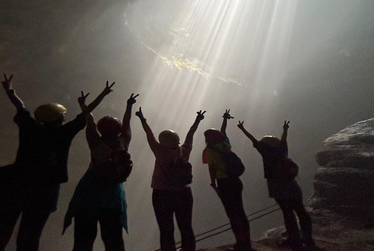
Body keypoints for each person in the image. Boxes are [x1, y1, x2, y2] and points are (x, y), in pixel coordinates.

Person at [0, 75, 113, 251]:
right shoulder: (64, 133)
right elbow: (86, 115)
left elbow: (20, 107)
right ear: (59, 118)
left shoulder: (29, 127)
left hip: (15, 186)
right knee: (29, 240)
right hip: (44, 192)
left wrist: (9, 90)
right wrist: (103, 94)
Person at [64, 92, 139, 251]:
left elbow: (89, 120)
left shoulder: (95, 142)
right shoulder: (123, 142)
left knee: (84, 238)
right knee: (114, 239)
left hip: (89, 191)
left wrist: (83, 104)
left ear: (101, 128)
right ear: (118, 130)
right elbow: (127, 123)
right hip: (113, 193)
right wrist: (129, 105)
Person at [237, 120, 315, 251]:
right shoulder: (282, 149)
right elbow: (284, 139)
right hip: (292, 183)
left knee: (287, 212)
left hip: (277, 185)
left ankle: (294, 240)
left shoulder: (265, 151)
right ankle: (308, 238)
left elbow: (254, 141)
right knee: (301, 210)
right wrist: (285, 129)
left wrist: (242, 128)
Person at [136, 108, 205, 251]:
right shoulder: (184, 151)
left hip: (162, 194)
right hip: (184, 193)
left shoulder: (160, 151)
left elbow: (149, 135)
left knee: (166, 229)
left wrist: (142, 119)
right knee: (186, 227)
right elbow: (191, 134)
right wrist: (197, 120)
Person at [202, 110, 253, 251]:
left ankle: (240, 244)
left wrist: (213, 183)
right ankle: (247, 243)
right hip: (236, 180)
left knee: (232, 214)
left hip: (224, 182)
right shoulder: (226, 144)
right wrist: (224, 119)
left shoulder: (209, 151)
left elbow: (212, 168)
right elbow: (223, 131)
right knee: (241, 212)